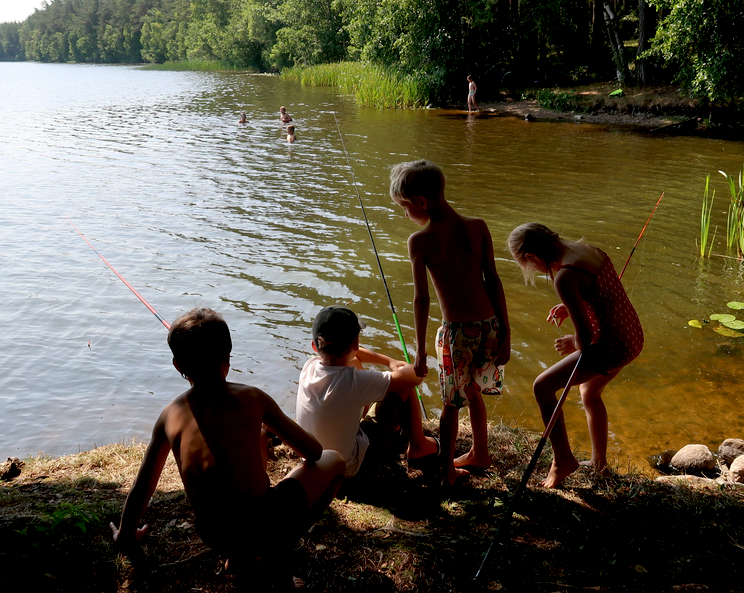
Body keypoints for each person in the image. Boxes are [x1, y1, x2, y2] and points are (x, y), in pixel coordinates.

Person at [109, 308, 345, 586]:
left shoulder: (169, 416)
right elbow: (315, 453)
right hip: (261, 525)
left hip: (214, 533)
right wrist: (268, 424)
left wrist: (125, 536)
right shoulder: (252, 397)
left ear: (177, 365)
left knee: (256, 441)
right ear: (227, 359)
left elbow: (142, 486)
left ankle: (242, 555)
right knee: (334, 461)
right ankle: (271, 553)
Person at [389, 159, 510, 488]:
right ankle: (479, 452)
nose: (405, 214)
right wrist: (507, 333)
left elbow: (421, 299)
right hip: (489, 325)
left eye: (404, 207)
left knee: (450, 404)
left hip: (457, 334)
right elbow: (494, 281)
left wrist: (420, 352)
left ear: (421, 203)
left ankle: (446, 471)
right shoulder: (478, 225)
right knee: (473, 392)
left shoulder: (420, 241)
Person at [507, 223, 643, 487]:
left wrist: (573, 342)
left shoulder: (565, 277)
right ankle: (599, 464)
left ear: (533, 257)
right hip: (632, 336)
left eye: (529, 266)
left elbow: (586, 339)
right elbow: (600, 295)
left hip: (612, 344)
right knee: (589, 394)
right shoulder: (588, 250)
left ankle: (562, 461)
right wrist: (571, 307)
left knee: (542, 387)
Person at [296, 305, 439, 481]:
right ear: (356, 343)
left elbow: (354, 355)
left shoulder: (309, 366)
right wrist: (402, 366)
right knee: (403, 385)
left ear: (314, 346)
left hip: (317, 464)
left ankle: (373, 424)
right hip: (351, 470)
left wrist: (389, 361)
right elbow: (414, 377)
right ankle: (419, 445)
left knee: (354, 362)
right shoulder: (354, 381)